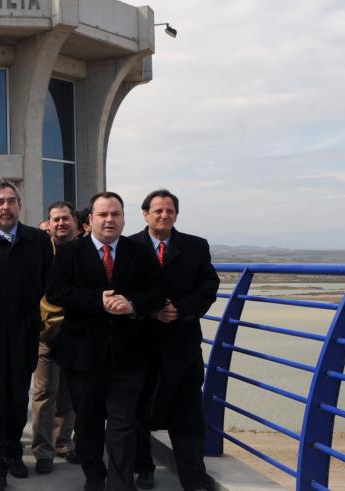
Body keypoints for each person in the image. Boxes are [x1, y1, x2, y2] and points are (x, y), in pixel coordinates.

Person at [46, 192, 165, 491]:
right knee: (87, 424)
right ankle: (95, 477)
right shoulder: (71, 252)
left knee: (123, 424)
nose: (110, 220)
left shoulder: (139, 252)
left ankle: (120, 483)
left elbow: (156, 293)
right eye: (103, 215)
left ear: (124, 219)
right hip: (83, 356)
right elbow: (57, 292)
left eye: (115, 214)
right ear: (90, 220)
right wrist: (97, 300)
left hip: (129, 356)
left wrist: (133, 304)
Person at [0, 181, 53, 490]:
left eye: (11, 201)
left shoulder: (39, 240)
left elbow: (47, 283)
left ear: (19, 205)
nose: (6, 206)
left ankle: (12, 451)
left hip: (24, 335)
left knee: (17, 400)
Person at [131, 190, 218, 491]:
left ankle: (193, 475)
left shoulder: (196, 246)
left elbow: (209, 287)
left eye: (170, 211)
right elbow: (122, 291)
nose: (164, 215)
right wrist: (151, 312)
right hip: (141, 342)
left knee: (188, 411)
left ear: (176, 215)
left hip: (183, 342)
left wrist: (181, 310)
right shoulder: (130, 247)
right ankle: (143, 468)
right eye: (158, 210)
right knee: (139, 409)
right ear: (145, 214)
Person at [31, 201, 81, 475]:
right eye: (55, 219)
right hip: (47, 335)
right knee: (43, 393)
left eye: (65, 219)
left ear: (75, 221)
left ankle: (64, 442)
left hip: (76, 336)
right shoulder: (40, 252)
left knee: (69, 395)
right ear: (48, 224)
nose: (60, 223)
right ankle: (43, 450)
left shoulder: (86, 251)